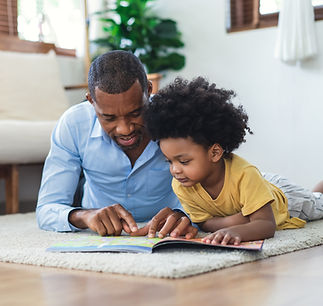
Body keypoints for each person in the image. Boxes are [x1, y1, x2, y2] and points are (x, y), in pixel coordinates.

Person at [36, 50, 197, 239]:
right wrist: (85, 215)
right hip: (99, 228)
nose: (124, 129)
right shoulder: (73, 124)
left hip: (165, 231)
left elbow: (215, 187)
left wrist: (185, 214)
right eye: (109, 118)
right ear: (91, 101)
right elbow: (47, 209)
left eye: (135, 113)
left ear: (149, 91)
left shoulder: (178, 120)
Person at [143, 76, 323, 245]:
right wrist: (236, 221)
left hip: (287, 199)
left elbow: (266, 225)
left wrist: (239, 230)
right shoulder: (181, 185)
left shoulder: (245, 174)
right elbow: (204, 223)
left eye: (183, 161)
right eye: (169, 161)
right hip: (257, 188)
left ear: (214, 153)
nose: (175, 170)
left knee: (317, 203)